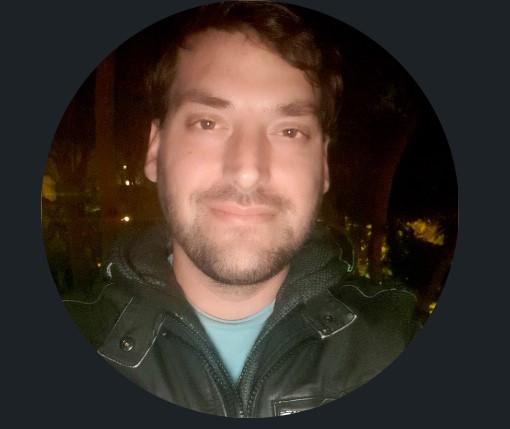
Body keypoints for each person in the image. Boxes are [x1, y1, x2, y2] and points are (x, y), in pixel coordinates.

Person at [63, 1, 421, 418]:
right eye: (208, 123)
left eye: (289, 131)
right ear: (155, 150)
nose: (248, 171)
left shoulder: (396, 344)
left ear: (323, 166)